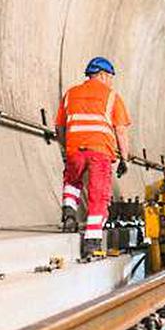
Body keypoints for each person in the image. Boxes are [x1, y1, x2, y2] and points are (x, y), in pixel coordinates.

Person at [55, 56, 132, 258]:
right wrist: (124, 158)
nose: (111, 81)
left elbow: (59, 127)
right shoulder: (112, 97)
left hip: (74, 148)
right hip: (100, 151)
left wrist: (67, 147)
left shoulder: (70, 94)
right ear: (102, 75)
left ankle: (69, 212)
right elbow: (121, 130)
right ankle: (92, 241)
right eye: (110, 77)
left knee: (72, 181)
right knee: (98, 195)